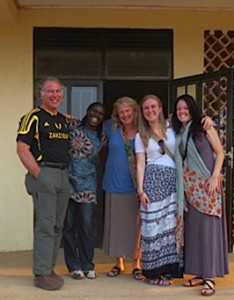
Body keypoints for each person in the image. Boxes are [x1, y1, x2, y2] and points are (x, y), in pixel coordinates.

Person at [172, 94, 229, 296]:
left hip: (208, 186)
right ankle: (197, 272)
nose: (182, 112)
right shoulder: (179, 133)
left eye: (185, 108)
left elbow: (220, 152)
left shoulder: (205, 127)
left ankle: (210, 277)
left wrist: (215, 177)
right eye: (178, 109)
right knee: (194, 233)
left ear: (193, 109)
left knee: (208, 232)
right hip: (191, 190)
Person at [16, 77, 69, 290]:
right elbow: (22, 148)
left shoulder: (63, 120)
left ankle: (49, 267)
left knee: (57, 226)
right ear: (41, 94)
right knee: (46, 226)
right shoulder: (33, 117)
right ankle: (41, 273)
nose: (55, 95)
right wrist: (39, 174)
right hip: (45, 173)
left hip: (63, 175)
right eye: (50, 91)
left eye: (58, 91)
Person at [135, 94, 184, 286]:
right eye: (146, 108)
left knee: (170, 228)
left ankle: (169, 272)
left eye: (153, 106)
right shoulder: (141, 136)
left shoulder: (173, 128)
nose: (150, 111)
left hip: (173, 181)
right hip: (152, 182)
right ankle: (153, 271)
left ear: (160, 108)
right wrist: (140, 190)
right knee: (152, 228)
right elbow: (140, 163)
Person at [63, 102, 106, 280]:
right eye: (94, 111)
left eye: (100, 114)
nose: (96, 115)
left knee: (87, 227)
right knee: (69, 226)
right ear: (87, 111)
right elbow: (53, 122)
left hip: (87, 185)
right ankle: (74, 266)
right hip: (67, 181)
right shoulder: (72, 126)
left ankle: (88, 265)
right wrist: (63, 116)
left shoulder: (102, 136)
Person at [102, 96, 144, 281]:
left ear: (135, 111)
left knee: (136, 227)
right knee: (116, 226)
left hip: (136, 186)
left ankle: (137, 263)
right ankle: (118, 262)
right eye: (121, 112)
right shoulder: (110, 128)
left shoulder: (144, 130)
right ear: (117, 114)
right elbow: (87, 123)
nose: (125, 114)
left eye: (128, 111)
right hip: (113, 183)